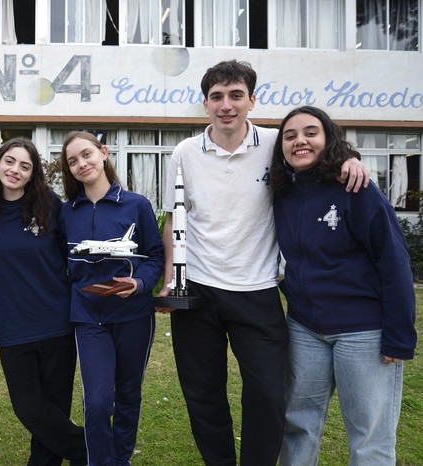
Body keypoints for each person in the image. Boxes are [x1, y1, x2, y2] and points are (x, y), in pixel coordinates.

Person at [158, 60, 369, 466]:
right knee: (203, 394)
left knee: (269, 395)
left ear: (252, 100)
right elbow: (174, 218)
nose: (226, 105)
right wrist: (171, 278)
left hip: (257, 291)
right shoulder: (184, 152)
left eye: (236, 95)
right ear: (205, 104)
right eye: (217, 97)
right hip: (198, 290)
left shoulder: (276, 143)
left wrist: (351, 158)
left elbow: (318, 150)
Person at [270, 106, 417, 466]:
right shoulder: (281, 192)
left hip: (363, 331)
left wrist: (399, 335)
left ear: (328, 139)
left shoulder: (356, 188)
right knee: (298, 425)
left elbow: (394, 262)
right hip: (305, 327)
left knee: (369, 436)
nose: (300, 141)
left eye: (310, 133)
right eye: (290, 136)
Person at [0, 137, 87, 465]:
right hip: (13, 326)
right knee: (28, 408)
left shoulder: (49, 205)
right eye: (10, 162)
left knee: (54, 406)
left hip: (56, 322)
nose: (15, 170)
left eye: (25, 166)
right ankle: (94, 448)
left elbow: (73, 252)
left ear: (33, 173)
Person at [59, 131, 164, 466]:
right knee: (99, 402)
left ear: (103, 153)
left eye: (86, 154)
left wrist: (141, 282)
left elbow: (156, 255)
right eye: (72, 161)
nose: (81, 164)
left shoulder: (136, 205)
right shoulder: (66, 212)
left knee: (129, 394)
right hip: (89, 318)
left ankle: (120, 460)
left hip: (133, 315)